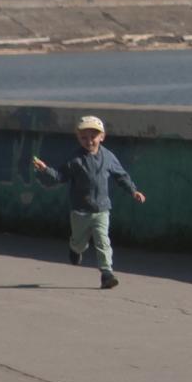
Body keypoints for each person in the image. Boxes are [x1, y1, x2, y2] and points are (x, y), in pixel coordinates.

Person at [31, 116, 147, 290]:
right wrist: (45, 169)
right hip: (80, 211)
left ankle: (106, 274)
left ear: (102, 137)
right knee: (79, 241)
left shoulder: (108, 157)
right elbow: (60, 176)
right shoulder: (75, 159)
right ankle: (75, 248)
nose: (89, 141)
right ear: (79, 138)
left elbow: (121, 176)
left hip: (102, 209)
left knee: (103, 241)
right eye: (84, 137)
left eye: (93, 136)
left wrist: (133, 190)